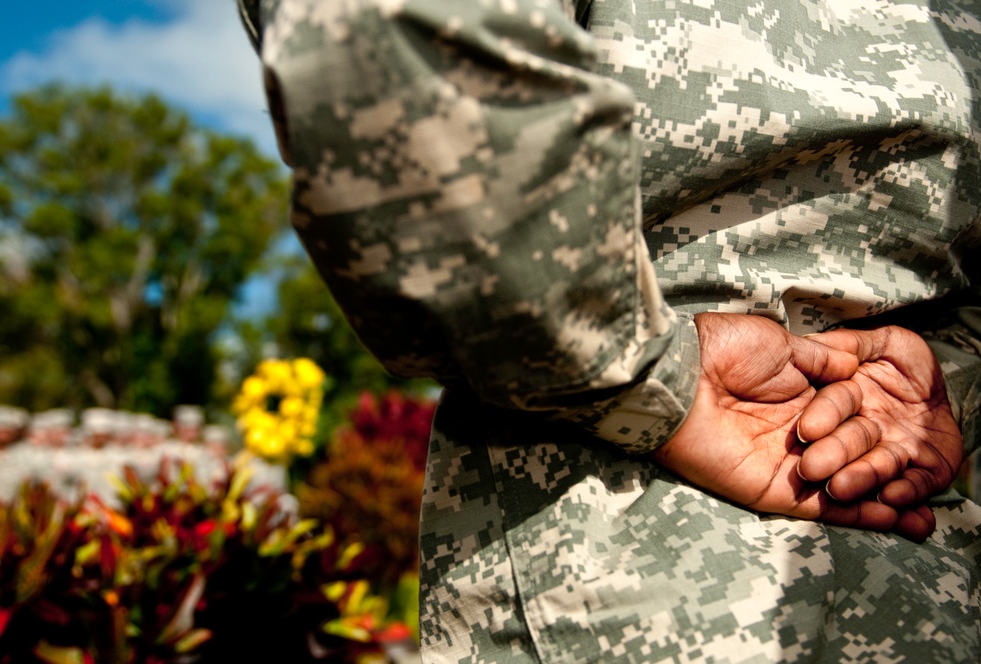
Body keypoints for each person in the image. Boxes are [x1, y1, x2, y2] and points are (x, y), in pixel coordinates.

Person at [238, 0, 981, 661]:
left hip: (917, 563)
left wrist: (938, 388)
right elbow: (387, 43)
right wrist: (655, 373)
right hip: (629, 566)